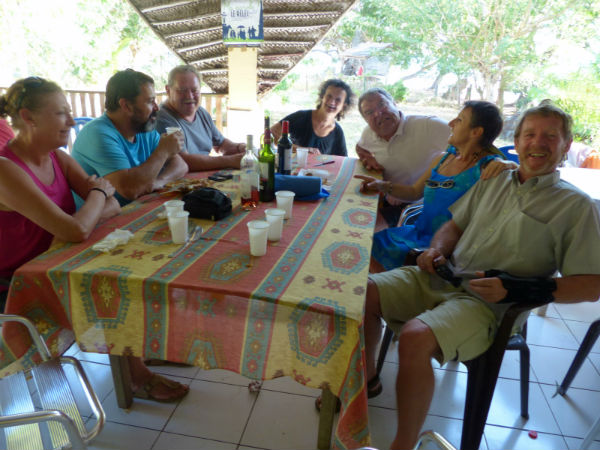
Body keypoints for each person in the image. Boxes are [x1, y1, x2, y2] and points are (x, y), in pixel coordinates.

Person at [364, 102, 600, 449]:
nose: (539, 143)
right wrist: (437, 249)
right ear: (516, 142)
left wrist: (520, 288)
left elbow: (592, 286)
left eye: (551, 136)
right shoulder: (494, 180)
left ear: (566, 146)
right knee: (360, 292)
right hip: (442, 276)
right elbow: (454, 224)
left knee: (415, 337)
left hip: (489, 306)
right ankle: (364, 382)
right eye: (530, 134)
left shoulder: (578, 207)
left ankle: (403, 444)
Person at [0, 77, 120, 308]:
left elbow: (113, 205)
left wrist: (73, 226)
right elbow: (76, 230)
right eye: (61, 114)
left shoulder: (58, 157)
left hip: (61, 268)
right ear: (28, 117)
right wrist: (97, 192)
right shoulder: (5, 170)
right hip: (17, 288)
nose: (73, 122)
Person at [356, 101, 514, 272]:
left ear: (476, 132)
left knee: (370, 263)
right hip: (418, 232)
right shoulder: (443, 159)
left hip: (445, 248)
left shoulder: (487, 169)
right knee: (362, 246)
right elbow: (414, 192)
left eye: (459, 120)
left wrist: (510, 165)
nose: (450, 123)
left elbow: (517, 185)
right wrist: (382, 186)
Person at [72, 69, 188, 205]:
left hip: (132, 211)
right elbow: (130, 190)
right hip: (101, 222)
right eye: (150, 101)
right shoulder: (97, 134)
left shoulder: (143, 128)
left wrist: (158, 182)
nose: (157, 108)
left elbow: (181, 165)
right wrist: (163, 151)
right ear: (126, 105)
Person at [356, 88, 451, 227]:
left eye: (382, 104)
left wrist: (492, 163)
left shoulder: (428, 126)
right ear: (366, 120)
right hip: (386, 195)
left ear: (394, 103)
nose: (378, 113)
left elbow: (471, 141)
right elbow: (360, 147)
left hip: (418, 206)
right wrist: (367, 158)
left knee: (366, 231)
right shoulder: (369, 133)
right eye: (369, 112)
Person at [156, 65, 245, 171]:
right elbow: (185, 161)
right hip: (179, 184)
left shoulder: (201, 113)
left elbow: (221, 144)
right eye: (182, 90)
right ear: (168, 90)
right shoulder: (162, 118)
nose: (189, 96)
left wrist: (241, 148)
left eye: (194, 90)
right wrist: (231, 161)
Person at [270, 78, 355, 156]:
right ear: (322, 96)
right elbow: (270, 135)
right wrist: (301, 150)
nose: (332, 102)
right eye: (329, 96)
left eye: (338, 100)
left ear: (344, 105)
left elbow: (342, 161)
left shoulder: (337, 132)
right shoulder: (301, 117)